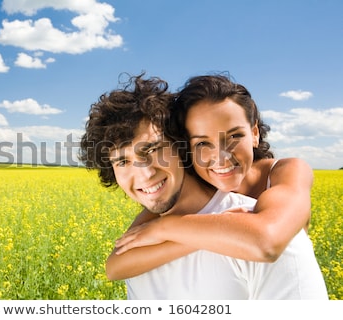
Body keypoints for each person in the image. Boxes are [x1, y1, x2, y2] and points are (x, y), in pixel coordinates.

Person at [79, 73, 328, 299]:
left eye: (153, 150)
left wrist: (168, 227)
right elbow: (115, 266)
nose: (145, 174)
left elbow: (267, 240)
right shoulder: (148, 235)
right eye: (123, 161)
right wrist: (169, 229)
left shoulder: (280, 198)